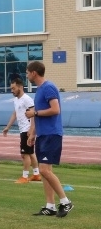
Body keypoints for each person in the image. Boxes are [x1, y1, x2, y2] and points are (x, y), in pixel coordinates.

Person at [25, 61, 73, 217]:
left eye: (27, 72)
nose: (27, 75)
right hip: (42, 135)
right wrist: (33, 133)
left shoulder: (48, 87)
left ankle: (66, 201)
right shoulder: (39, 90)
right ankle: (50, 206)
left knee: (44, 170)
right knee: (46, 172)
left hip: (52, 134)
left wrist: (34, 113)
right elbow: (38, 114)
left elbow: (55, 109)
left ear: (34, 73)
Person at [2, 78, 41, 184]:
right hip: (23, 129)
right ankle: (36, 174)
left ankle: (24, 177)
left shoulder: (27, 99)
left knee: (25, 154)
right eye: (11, 89)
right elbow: (15, 113)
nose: (12, 91)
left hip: (27, 129)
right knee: (30, 153)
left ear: (20, 87)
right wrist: (8, 127)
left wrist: (31, 129)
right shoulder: (16, 100)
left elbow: (33, 114)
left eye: (13, 88)